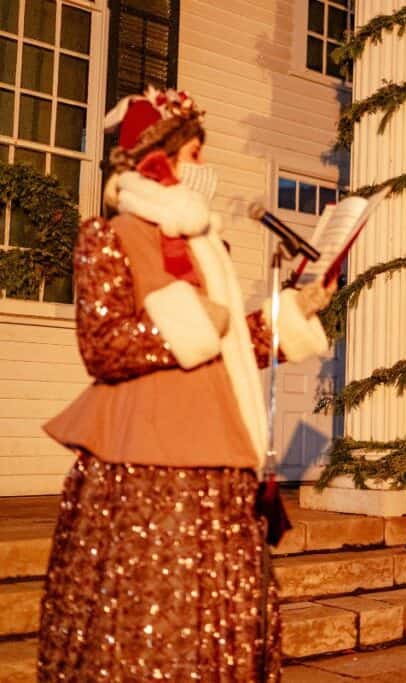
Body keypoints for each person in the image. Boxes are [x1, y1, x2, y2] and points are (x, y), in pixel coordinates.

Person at [37, 87, 334, 681]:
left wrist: (293, 311)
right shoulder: (108, 235)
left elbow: (230, 340)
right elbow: (103, 345)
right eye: (196, 154)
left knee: (214, 610)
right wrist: (195, 321)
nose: (205, 168)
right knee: (152, 605)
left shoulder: (206, 248)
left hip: (219, 447)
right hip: (145, 456)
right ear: (158, 159)